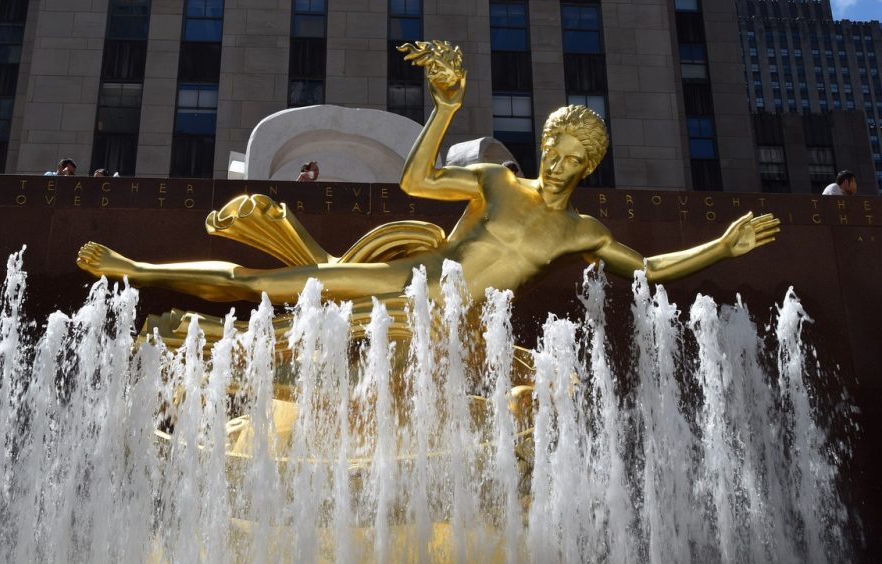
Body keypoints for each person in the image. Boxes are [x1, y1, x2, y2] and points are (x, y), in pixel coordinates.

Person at [77, 41, 779, 307]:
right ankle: (133, 268)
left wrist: (722, 246)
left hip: (461, 323)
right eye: (557, 151)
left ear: (593, 166)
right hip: (413, 282)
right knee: (272, 288)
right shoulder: (501, 184)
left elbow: (650, 270)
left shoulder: (583, 231)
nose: (563, 165)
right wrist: (444, 108)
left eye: (577, 159)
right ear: (544, 147)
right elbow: (416, 182)